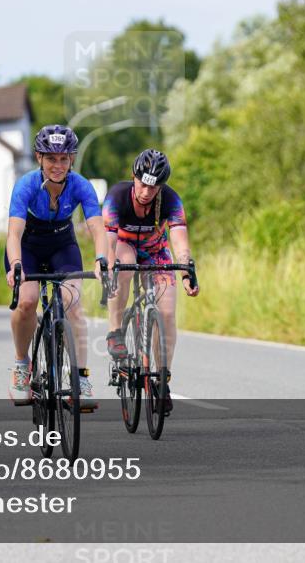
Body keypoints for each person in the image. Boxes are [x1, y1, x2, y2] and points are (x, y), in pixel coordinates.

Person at [5, 125, 110, 409]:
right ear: (39, 157)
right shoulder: (26, 185)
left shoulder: (80, 185)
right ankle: (21, 365)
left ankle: (81, 378)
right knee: (26, 302)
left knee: (74, 304)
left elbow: (98, 230)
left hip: (62, 245)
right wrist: (15, 264)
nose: (58, 165)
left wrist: (102, 259)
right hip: (27, 246)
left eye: (64, 159)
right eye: (51, 158)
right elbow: (13, 234)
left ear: (72, 159)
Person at [103, 149, 199, 415]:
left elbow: (179, 240)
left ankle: (161, 379)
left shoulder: (170, 200)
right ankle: (115, 332)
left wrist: (186, 272)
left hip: (156, 252)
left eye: (153, 187)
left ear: (161, 186)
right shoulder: (117, 197)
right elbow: (109, 241)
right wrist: (107, 264)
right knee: (122, 264)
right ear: (134, 177)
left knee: (167, 311)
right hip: (124, 246)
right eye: (143, 184)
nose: (147, 191)